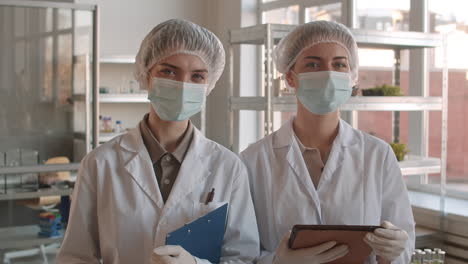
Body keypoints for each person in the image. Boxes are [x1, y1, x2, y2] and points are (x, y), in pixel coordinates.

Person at [57, 19, 259, 264]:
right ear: (146, 74)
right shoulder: (100, 164)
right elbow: (75, 257)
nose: (183, 85)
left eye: (197, 76)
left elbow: (244, 257)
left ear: (209, 84)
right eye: (169, 71)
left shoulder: (228, 166)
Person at [240, 21, 415, 264]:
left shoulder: (378, 155)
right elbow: (239, 253)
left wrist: (394, 250)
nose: (328, 73)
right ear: (291, 77)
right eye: (313, 64)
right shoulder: (253, 160)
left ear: (352, 77)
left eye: (339, 64)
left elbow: (403, 244)